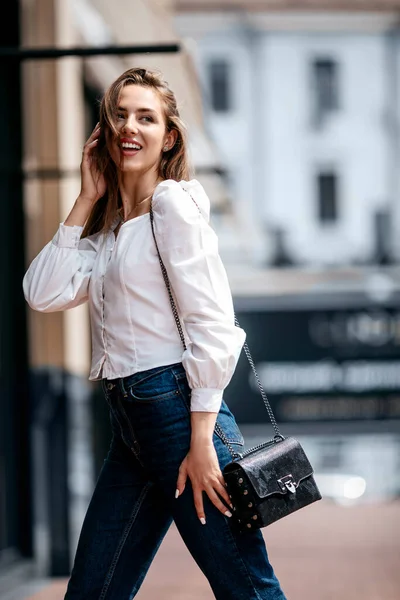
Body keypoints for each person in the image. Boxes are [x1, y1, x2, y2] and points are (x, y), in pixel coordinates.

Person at [23, 67, 286, 600]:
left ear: (168, 137)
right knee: (92, 591)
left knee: (246, 589)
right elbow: (41, 291)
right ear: (104, 130)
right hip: (130, 429)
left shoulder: (173, 206)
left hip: (181, 419)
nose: (131, 126)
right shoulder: (110, 232)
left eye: (146, 116)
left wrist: (200, 439)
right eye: (120, 114)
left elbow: (213, 323)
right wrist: (85, 200)